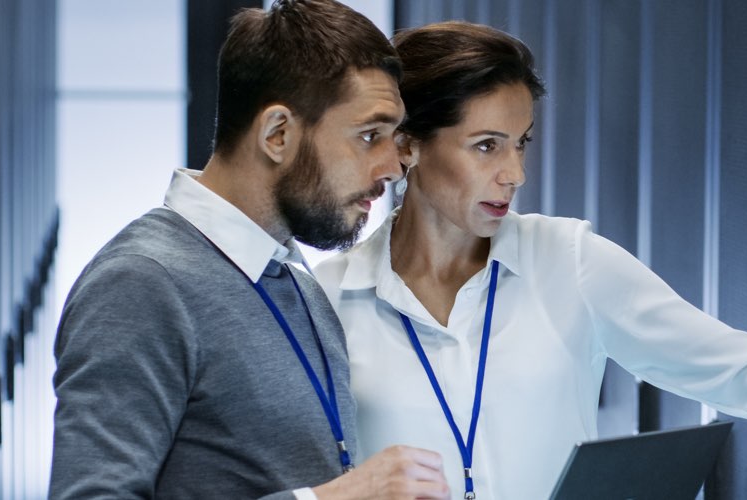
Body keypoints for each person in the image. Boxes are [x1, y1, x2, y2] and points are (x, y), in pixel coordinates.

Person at [313, 21, 747, 500]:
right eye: (487, 145)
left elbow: (738, 371)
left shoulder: (569, 262)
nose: (515, 173)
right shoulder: (327, 305)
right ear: (408, 147)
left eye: (523, 144)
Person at [50, 2, 449, 498]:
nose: (393, 167)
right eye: (369, 136)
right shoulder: (141, 282)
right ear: (277, 134)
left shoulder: (292, 275)